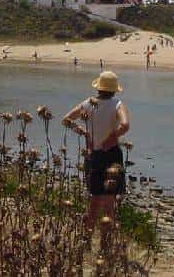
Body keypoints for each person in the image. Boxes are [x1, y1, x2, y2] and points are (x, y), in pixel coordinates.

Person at [62, 71, 130, 230]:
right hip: (112, 154)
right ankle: (106, 243)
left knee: (94, 200)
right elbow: (125, 125)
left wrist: (83, 132)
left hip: (93, 154)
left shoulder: (88, 103)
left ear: (98, 87)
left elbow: (66, 120)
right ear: (114, 90)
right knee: (109, 202)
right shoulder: (118, 104)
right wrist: (112, 139)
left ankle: (87, 238)